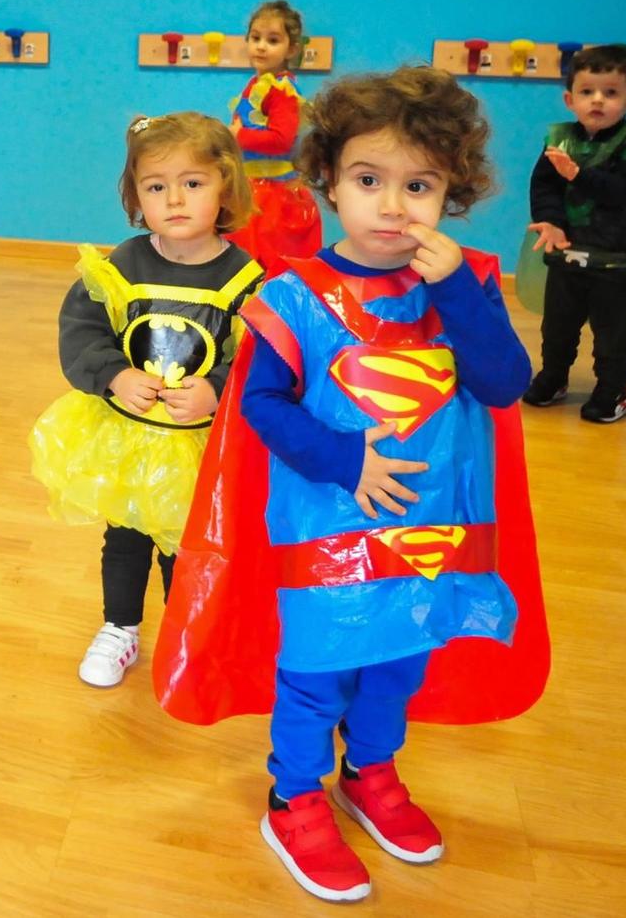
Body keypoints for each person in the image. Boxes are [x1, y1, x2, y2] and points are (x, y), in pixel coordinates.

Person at [153, 67, 549, 904]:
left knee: (399, 662)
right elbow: (259, 405)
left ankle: (370, 771)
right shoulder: (291, 296)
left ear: (454, 192)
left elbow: (506, 381)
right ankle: (292, 794)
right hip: (329, 533)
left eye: (420, 184)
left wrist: (452, 290)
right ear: (329, 182)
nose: (394, 205)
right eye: (370, 181)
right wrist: (345, 459)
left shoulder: (465, 284)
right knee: (318, 669)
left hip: (432, 530)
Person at [29, 113, 260, 687]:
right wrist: (112, 375)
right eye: (157, 186)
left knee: (187, 548)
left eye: (193, 183)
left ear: (225, 187)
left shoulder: (246, 278)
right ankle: (120, 628)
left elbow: (264, 357)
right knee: (125, 536)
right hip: (128, 438)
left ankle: (188, 633)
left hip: (199, 443)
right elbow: (81, 332)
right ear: (136, 195)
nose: (175, 199)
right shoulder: (120, 268)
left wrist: (218, 387)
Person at [518, 44, 626, 423]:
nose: (598, 101)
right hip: (570, 257)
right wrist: (551, 220)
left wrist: (578, 175)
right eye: (588, 92)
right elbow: (544, 187)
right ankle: (554, 377)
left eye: (611, 92)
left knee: (612, 337)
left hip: (621, 266)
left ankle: (612, 390)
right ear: (570, 99)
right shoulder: (560, 141)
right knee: (557, 328)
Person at [226, 0, 322, 277]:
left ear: (291, 48)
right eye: (255, 38)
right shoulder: (257, 84)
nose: (261, 46)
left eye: (272, 40)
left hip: (274, 197)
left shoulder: (281, 90)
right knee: (244, 261)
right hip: (253, 187)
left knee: (268, 264)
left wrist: (238, 135)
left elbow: (282, 140)